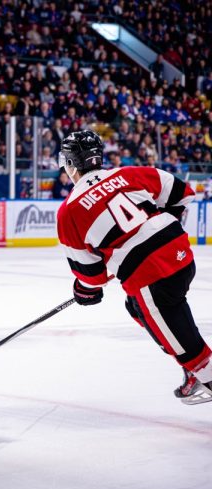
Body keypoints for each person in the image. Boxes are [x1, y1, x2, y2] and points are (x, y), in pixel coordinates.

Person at [57, 130, 211, 405]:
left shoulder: (69, 211)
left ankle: (198, 369)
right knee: (136, 306)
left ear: (70, 164)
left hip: (152, 277)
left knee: (195, 355)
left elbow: (92, 278)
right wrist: (156, 229)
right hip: (181, 257)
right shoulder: (128, 173)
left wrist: (84, 291)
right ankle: (188, 360)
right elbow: (182, 192)